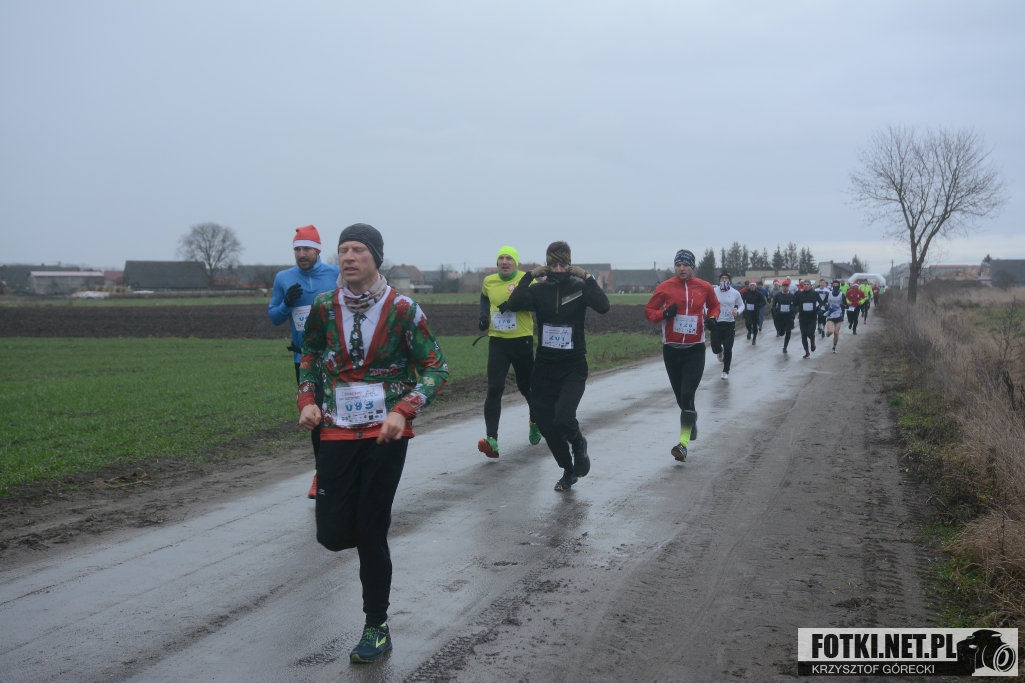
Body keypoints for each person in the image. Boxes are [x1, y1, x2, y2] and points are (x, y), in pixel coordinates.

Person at [298, 223, 448, 664]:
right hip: (335, 431)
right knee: (331, 534)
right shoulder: (323, 308)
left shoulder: (403, 310)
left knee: (370, 530)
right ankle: (360, 540)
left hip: (386, 434)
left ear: (375, 258)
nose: (348, 257)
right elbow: (309, 354)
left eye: (358, 250)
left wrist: (404, 409)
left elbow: (436, 368)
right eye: (343, 249)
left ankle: (376, 625)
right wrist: (307, 399)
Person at [502, 241, 609, 491]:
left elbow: (604, 306)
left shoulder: (579, 287)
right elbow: (514, 303)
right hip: (544, 367)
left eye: (563, 264)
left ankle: (579, 443)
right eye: (553, 265)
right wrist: (528, 276)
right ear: (547, 266)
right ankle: (568, 470)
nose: (558, 269)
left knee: (563, 418)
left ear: (569, 265)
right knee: (545, 422)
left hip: (573, 365)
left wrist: (587, 277)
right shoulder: (539, 290)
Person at [268, 225, 340, 499]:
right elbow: (274, 317)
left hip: (336, 358)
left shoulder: (335, 274)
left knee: (340, 415)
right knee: (315, 416)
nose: (301, 254)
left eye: (307, 248)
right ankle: (321, 474)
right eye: (297, 249)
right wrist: (287, 303)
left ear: (318, 250)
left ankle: (342, 470)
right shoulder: (284, 278)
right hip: (305, 359)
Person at [644, 249, 720, 462]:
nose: (682, 268)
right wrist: (664, 314)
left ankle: (683, 444)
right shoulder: (665, 287)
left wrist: (713, 318)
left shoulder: (704, 287)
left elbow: (714, 305)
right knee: (681, 399)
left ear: (692, 267)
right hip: (672, 350)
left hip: (695, 350)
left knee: (687, 394)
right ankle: (690, 416)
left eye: (685, 265)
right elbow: (649, 311)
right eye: (678, 265)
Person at [476, 246, 541, 458]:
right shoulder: (489, 281)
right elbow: (484, 298)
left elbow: (537, 304)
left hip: (522, 340)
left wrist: (515, 304)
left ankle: (535, 421)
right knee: (495, 388)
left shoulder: (526, 280)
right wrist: (483, 317)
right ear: (497, 263)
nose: (504, 262)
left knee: (527, 387)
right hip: (498, 341)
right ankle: (491, 439)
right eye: (501, 258)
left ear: (516, 263)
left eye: (509, 258)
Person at [711, 270, 743, 379]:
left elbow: (742, 305)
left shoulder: (735, 292)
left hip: (729, 323)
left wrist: (737, 312)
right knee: (715, 347)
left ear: (729, 280)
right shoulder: (714, 291)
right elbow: (706, 303)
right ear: (719, 280)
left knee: (728, 348)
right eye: (722, 278)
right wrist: (708, 313)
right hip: (717, 322)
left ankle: (726, 371)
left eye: (726, 278)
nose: (724, 280)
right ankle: (719, 351)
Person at [794, 279, 820, 358]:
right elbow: (795, 304)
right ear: (803, 285)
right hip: (802, 317)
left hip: (812, 317)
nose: (806, 286)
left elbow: (820, 302)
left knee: (810, 333)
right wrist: (797, 310)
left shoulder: (815, 294)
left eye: (807, 284)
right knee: (804, 335)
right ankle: (807, 352)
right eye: (804, 284)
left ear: (810, 285)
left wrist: (818, 308)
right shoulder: (799, 294)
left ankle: (812, 341)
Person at [770, 278, 797, 354]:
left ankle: (785, 347)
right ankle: (781, 331)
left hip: (789, 317)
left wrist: (794, 312)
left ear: (788, 287)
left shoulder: (792, 296)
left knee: (788, 332)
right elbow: (774, 305)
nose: (785, 287)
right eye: (784, 286)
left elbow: (796, 306)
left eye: (786, 286)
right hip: (780, 317)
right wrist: (775, 312)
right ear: (782, 287)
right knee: (781, 333)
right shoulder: (778, 296)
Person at [824, 280, 846, 353]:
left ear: (839, 286)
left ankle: (834, 346)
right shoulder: (828, 294)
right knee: (830, 331)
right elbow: (823, 302)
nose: (835, 286)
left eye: (837, 284)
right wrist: (826, 306)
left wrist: (843, 305)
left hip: (839, 315)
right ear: (832, 285)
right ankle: (827, 334)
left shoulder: (842, 295)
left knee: (836, 333)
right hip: (830, 315)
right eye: (834, 284)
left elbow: (847, 305)